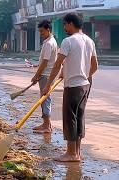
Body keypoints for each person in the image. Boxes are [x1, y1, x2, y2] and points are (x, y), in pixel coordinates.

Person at [42, 13, 98, 162]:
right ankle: (77, 153)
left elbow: (57, 64)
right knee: (79, 117)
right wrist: (83, 75)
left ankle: (71, 154)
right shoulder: (89, 41)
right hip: (85, 86)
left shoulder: (68, 41)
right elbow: (95, 66)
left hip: (73, 87)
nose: (64, 28)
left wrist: (47, 85)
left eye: (65, 25)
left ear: (71, 24)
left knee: (70, 119)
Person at [31, 20, 58, 134]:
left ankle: (47, 126)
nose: (40, 34)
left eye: (42, 31)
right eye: (39, 31)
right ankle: (46, 124)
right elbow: (45, 60)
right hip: (47, 74)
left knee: (45, 99)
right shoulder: (51, 41)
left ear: (48, 29)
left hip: (46, 75)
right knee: (44, 99)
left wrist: (36, 76)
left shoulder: (48, 43)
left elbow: (45, 62)